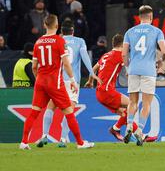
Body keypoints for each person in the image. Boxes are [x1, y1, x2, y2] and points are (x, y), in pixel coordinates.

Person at [19, 14, 94, 150]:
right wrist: (72, 79)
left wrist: (38, 80)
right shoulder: (59, 41)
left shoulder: (38, 42)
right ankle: (80, 143)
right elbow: (66, 63)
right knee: (68, 112)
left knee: (34, 112)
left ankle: (24, 142)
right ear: (57, 25)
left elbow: (34, 66)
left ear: (44, 25)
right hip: (55, 82)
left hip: (40, 81)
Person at [37, 19, 99, 147]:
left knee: (51, 106)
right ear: (73, 31)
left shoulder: (56, 40)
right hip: (72, 80)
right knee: (69, 110)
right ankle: (63, 138)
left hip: (56, 80)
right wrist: (92, 73)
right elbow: (85, 57)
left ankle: (44, 135)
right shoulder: (80, 41)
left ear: (61, 31)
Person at [86, 34, 157, 143]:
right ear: (123, 45)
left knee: (126, 113)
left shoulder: (106, 55)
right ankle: (115, 128)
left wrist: (90, 82)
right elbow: (130, 71)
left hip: (99, 93)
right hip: (107, 91)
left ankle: (141, 135)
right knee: (133, 105)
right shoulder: (120, 55)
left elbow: (93, 69)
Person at [122, 5, 165, 146]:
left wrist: (127, 67)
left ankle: (129, 125)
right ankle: (139, 130)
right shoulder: (157, 31)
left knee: (132, 102)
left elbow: (124, 54)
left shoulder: (130, 32)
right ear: (151, 17)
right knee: (146, 103)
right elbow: (164, 51)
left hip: (134, 70)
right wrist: (160, 62)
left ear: (139, 17)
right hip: (149, 70)